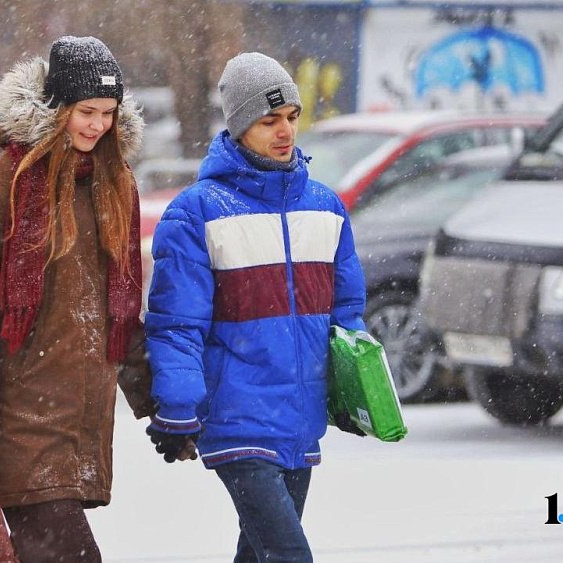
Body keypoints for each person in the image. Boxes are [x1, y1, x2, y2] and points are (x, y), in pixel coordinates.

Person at [144, 52, 368, 562]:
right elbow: (176, 324)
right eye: (269, 121)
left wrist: (357, 391)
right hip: (236, 419)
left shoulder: (325, 208)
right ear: (240, 127)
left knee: (260, 556)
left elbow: (347, 317)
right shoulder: (198, 211)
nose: (285, 131)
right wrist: (178, 406)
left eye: (291, 117)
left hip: (300, 418)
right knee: (290, 556)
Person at [0, 36, 155, 562]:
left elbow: (119, 312)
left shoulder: (115, 185)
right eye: (86, 111)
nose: (97, 125)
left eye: (107, 113)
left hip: (82, 418)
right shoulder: (10, 185)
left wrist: (157, 403)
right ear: (57, 107)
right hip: (22, 419)